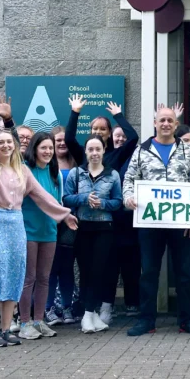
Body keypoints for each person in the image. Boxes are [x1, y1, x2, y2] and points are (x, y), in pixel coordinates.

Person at [0, 84, 79, 349]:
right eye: (2, 142)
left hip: (17, 224)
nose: (7, 145)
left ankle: (7, 329)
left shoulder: (23, 171)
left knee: (15, 276)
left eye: (10, 141)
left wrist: (64, 215)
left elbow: (43, 196)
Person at [123, 107, 190, 336]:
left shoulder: (187, 151)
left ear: (176, 123)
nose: (166, 124)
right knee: (149, 272)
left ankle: (188, 320)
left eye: (170, 120)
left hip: (181, 222)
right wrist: (128, 197)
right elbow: (130, 179)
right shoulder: (142, 150)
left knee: (186, 271)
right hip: (150, 223)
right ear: (155, 123)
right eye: (162, 120)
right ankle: (146, 321)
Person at [63, 135, 123, 334]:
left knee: (99, 270)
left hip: (104, 228)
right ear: (86, 152)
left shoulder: (112, 174)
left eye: (98, 149)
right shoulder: (76, 173)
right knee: (86, 271)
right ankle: (91, 314)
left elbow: (118, 201)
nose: (95, 153)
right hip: (82, 227)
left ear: (104, 150)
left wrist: (103, 204)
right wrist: (83, 199)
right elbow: (66, 198)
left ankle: (89, 313)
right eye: (91, 149)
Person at [16, 132, 62, 340]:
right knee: (29, 278)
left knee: (44, 278)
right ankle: (24, 321)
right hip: (28, 231)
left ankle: (39, 320)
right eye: (43, 147)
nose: (48, 152)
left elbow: (57, 202)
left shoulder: (55, 173)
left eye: (50, 148)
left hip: (49, 232)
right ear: (34, 149)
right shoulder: (26, 170)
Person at [46, 125, 80, 326]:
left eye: (64, 140)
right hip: (49, 221)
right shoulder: (46, 164)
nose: (61, 143)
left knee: (66, 267)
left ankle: (67, 307)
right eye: (57, 140)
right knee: (49, 268)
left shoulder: (76, 164)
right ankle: (49, 308)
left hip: (70, 222)